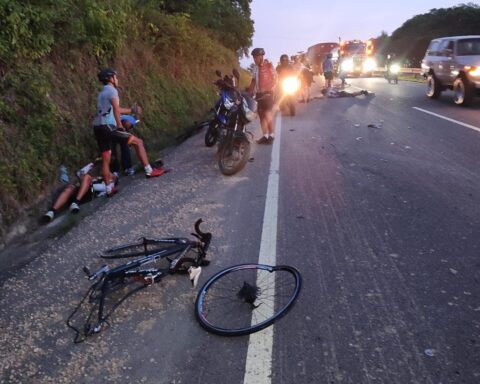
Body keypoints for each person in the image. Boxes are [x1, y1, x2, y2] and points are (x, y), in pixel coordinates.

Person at [93, 68, 164, 196]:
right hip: (108, 126)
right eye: (115, 77)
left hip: (98, 127)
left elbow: (116, 109)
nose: (117, 79)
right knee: (138, 142)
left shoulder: (102, 92)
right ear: (110, 79)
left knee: (106, 158)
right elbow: (116, 109)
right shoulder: (112, 90)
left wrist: (131, 110)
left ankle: (109, 189)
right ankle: (149, 171)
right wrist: (120, 126)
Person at [42, 161, 117, 222]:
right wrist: (92, 164)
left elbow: (97, 188)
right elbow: (80, 173)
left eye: (110, 175)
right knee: (70, 188)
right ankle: (51, 212)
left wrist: (88, 181)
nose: (107, 173)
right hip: (78, 192)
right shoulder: (98, 178)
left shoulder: (109, 185)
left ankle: (75, 202)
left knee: (87, 177)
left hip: (88, 194)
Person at [248, 48, 277, 145]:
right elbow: (253, 81)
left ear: (261, 57)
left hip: (268, 94)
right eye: (253, 58)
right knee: (261, 116)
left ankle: (271, 135)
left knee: (268, 114)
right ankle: (265, 136)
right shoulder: (255, 68)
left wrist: (268, 88)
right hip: (259, 94)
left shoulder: (269, 65)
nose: (254, 59)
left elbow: (275, 79)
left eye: (256, 57)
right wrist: (250, 91)